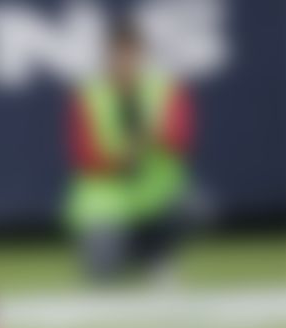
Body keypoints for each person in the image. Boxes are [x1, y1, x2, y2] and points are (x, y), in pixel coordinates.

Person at [65, 19, 197, 283]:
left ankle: (157, 257)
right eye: (118, 54)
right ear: (107, 56)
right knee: (102, 273)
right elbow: (82, 155)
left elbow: (182, 139)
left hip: (157, 195)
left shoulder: (165, 88)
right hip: (107, 203)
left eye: (131, 54)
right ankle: (131, 257)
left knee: (195, 206)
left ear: (142, 55)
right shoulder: (89, 95)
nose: (125, 62)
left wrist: (151, 137)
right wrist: (120, 158)